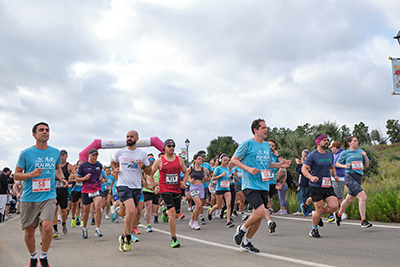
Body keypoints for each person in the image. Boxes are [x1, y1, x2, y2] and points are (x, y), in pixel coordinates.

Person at [232, 119, 291, 253]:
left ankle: (247, 242)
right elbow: (234, 160)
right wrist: (248, 169)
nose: (266, 130)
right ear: (256, 130)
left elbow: (268, 164)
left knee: (257, 216)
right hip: (250, 184)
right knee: (259, 212)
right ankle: (241, 229)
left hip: (263, 185)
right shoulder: (247, 144)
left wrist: (280, 165)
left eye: (266, 127)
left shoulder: (265, 146)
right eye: (263, 127)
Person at [14, 122, 68, 267]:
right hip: (29, 197)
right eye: (41, 130)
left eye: (47, 130)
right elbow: (16, 176)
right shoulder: (25, 153)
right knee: (30, 231)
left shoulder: (55, 152)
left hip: (48, 196)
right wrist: (31, 174)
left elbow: (57, 169)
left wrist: (61, 178)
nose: (45, 132)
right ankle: (33, 257)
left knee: (47, 227)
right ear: (34, 134)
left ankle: (43, 257)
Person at [110, 130, 152, 252]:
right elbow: (112, 163)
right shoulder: (120, 152)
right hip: (123, 185)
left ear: (137, 139)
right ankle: (128, 237)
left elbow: (149, 171)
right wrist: (115, 169)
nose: (129, 138)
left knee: (130, 213)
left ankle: (123, 236)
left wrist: (142, 166)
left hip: (136, 187)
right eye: (127, 136)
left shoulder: (142, 154)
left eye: (131, 136)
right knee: (132, 210)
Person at [152, 139, 188, 248]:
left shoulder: (179, 160)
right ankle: (173, 238)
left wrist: (184, 182)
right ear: (164, 148)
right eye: (169, 146)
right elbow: (150, 174)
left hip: (176, 189)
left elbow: (186, 172)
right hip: (165, 188)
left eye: (173, 146)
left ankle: (164, 212)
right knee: (172, 212)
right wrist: (154, 186)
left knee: (176, 215)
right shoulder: (160, 160)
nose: (171, 147)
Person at [302, 134, 340, 238]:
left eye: (327, 140)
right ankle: (314, 229)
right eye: (324, 140)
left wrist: (335, 175)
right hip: (315, 186)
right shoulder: (312, 155)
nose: (327, 142)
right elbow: (304, 169)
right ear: (318, 142)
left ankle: (317, 216)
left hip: (327, 185)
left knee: (334, 206)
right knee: (319, 208)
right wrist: (310, 177)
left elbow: (332, 167)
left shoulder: (329, 155)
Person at [335, 136, 372, 228]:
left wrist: (365, 156)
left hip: (358, 177)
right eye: (355, 141)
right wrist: (344, 166)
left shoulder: (361, 152)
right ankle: (363, 220)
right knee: (363, 197)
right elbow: (337, 163)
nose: (357, 142)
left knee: (349, 199)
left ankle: (338, 215)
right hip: (349, 177)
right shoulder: (345, 152)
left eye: (357, 140)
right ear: (350, 143)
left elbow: (367, 165)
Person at [76, 148, 105, 239]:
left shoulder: (99, 165)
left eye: (96, 155)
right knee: (86, 211)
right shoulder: (83, 166)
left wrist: (101, 179)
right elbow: (77, 179)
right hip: (86, 190)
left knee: (98, 207)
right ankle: (84, 228)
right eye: (93, 155)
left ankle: (97, 228)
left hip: (96, 189)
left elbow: (99, 173)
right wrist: (84, 178)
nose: (95, 157)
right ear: (88, 155)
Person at [53, 149, 76, 238]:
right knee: (54, 209)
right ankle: (55, 229)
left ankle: (63, 223)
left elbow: (76, 174)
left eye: (63, 155)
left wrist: (72, 176)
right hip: (54, 190)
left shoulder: (69, 166)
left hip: (63, 190)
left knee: (63, 210)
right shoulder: (54, 165)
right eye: (60, 155)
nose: (62, 157)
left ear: (66, 156)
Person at [208, 154, 234, 228]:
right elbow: (213, 179)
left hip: (227, 188)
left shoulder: (227, 168)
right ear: (221, 161)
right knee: (219, 205)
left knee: (228, 204)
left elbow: (227, 177)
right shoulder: (218, 169)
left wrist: (230, 176)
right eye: (224, 160)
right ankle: (210, 212)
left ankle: (228, 221)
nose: (226, 162)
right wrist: (221, 175)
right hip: (219, 188)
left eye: (227, 160)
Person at [187, 154, 209, 230]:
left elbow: (205, 180)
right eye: (199, 159)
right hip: (193, 187)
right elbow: (185, 177)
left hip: (201, 187)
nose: (200, 160)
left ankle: (192, 220)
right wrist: (190, 180)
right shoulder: (191, 168)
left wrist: (207, 176)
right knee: (198, 204)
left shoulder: (203, 169)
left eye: (201, 159)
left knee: (198, 206)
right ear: (195, 160)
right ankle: (196, 222)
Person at [327, 141, 346, 222]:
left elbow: (337, 164)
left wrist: (329, 165)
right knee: (335, 196)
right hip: (334, 177)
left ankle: (343, 213)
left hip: (339, 177)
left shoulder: (341, 154)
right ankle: (338, 213)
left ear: (335, 147)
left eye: (331, 147)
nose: (331, 149)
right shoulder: (335, 155)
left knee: (339, 197)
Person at [294, 150, 313, 216]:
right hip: (308, 182)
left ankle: (309, 210)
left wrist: (298, 164)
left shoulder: (306, 163)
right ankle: (301, 210)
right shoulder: (310, 162)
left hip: (305, 182)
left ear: (304, 156)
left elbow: (299, 171)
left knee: (304, 196)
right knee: (305, 196)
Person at [70, 160, 83, 227]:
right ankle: (74, 218)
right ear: (77, 165)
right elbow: (69, 180)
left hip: (82, 190)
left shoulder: (84, 172)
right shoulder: (74, 172)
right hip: (75, 190)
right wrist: (75, 179)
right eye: (79, 164)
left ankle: (82, 220)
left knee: (83, 205)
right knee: (74, 205)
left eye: (82, 164)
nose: (80, 166)